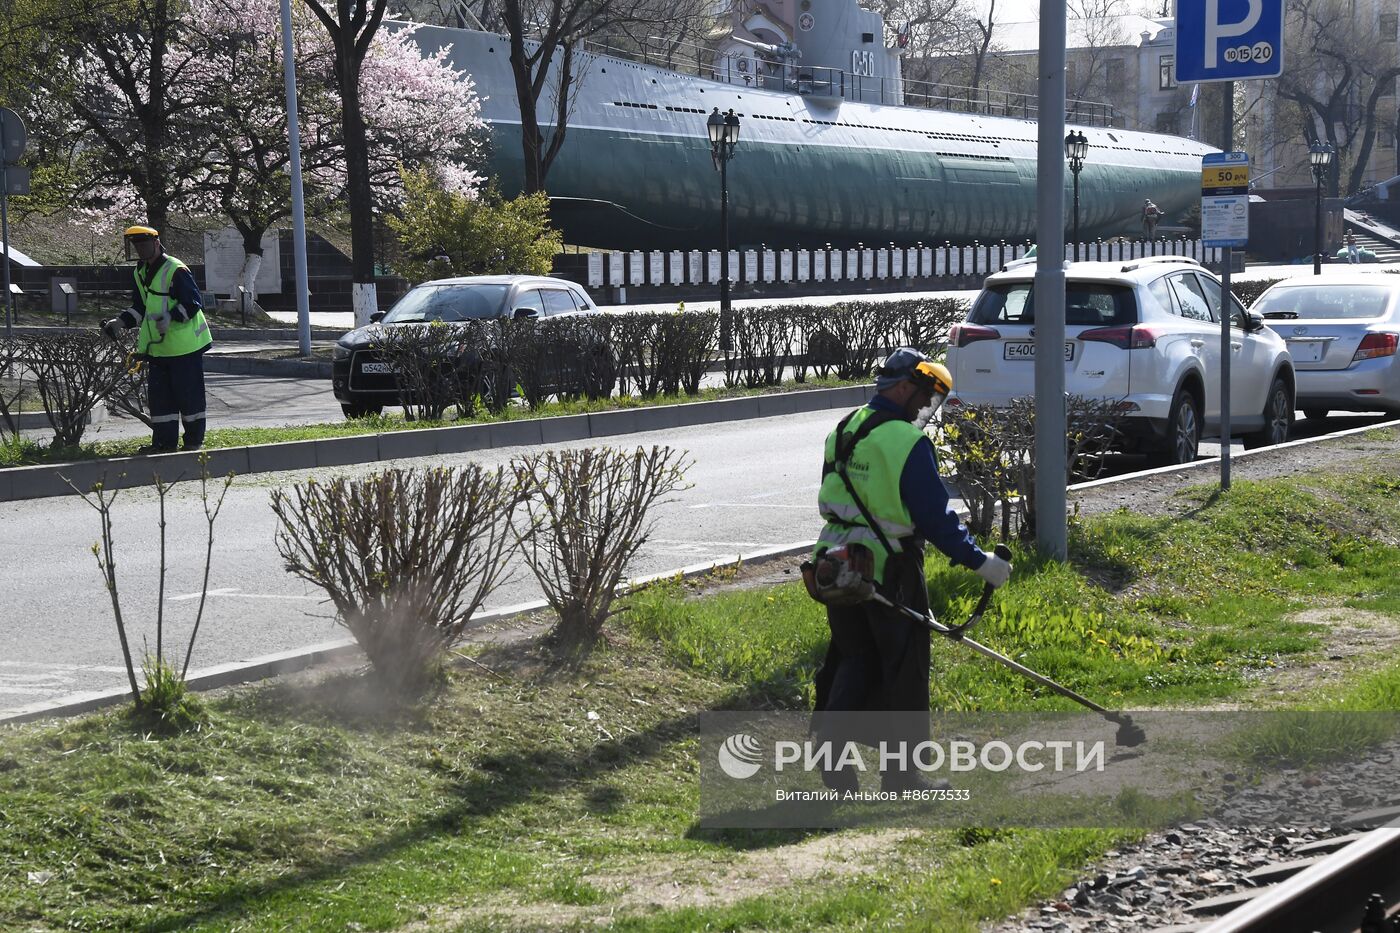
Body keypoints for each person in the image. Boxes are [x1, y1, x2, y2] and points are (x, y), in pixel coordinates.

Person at [810, 348, 1012, 792]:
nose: (925, 407)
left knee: (852, 658)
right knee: (905, 670)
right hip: (890, 567)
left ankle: (834, 764)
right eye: (923, 396)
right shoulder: (907, 442)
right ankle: (902, 777)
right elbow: (935, 520)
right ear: (902, 387)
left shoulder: (847, 428)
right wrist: (983, 564)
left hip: (837, 565)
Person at [100, 225, 213, 453]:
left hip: (185, 348)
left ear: (157, 243)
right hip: (158, 350)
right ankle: (163, 444)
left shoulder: (176, 269)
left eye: (144, 244)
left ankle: (193, 443)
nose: (140, 249)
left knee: (189, 398)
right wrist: (119, 322)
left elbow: (193, 303)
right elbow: (141, 307)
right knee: (161, 401)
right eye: (136, 245)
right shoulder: (139, 271)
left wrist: (170, 318)